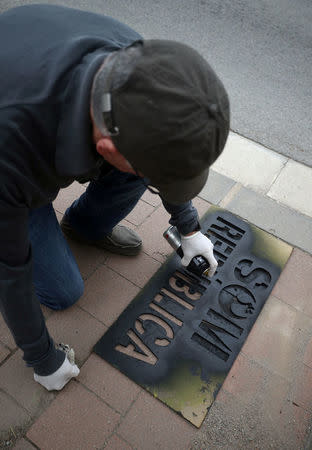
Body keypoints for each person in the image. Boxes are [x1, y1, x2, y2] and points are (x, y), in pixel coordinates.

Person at [0, 4, 230, 391]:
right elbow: (11, 268)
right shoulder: (11, 144)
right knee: (63, 291)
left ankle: (84, 225)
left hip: (48, 103)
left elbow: (166, 153)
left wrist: (187, 227)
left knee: (139, 169)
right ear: (105, 146)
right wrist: (41, 358)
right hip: (16, 161)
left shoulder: (139, 68)